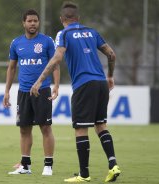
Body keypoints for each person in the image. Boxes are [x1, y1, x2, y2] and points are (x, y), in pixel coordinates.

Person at [30, 2, 121, 183]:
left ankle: (84, 174)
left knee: (81, 129)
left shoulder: (63, 34)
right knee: (101, 125)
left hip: (83, 85)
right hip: (101, 83)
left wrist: (39, 80)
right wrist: (110, 76)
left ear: (62, 19)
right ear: (78, 18)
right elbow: (111, 54)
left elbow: (57, 57)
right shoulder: (92, 32)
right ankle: (113, 165)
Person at [3, 9, 60, 176]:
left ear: (38, 23)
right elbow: (12, 68)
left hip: (42, 91)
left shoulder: (47, 41)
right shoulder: (16, 43)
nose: (33, 24)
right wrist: (7, 91)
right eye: (30, 21)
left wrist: (56, 85)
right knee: (24, 129)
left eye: (35, 21)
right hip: (23, 92)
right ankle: (25, 166)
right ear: (24, 23)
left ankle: (48, 166)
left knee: (45, 127)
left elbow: (55, 64)